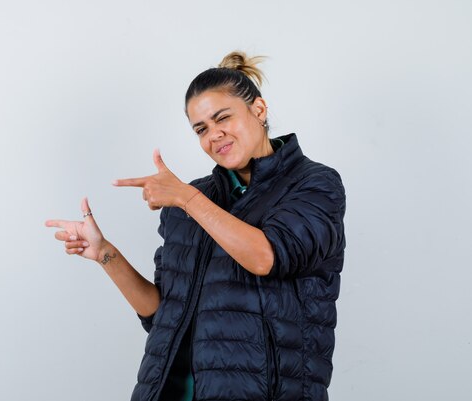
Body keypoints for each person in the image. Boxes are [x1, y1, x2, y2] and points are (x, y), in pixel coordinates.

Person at [46, 51, 346, 401]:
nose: (214, 135)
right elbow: (162, 314)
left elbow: (266, 257)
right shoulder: (188, 200)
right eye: (201, 129)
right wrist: (105, 254)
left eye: (223, 118)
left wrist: (186, 198)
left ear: (259, 110)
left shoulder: (315, 184)